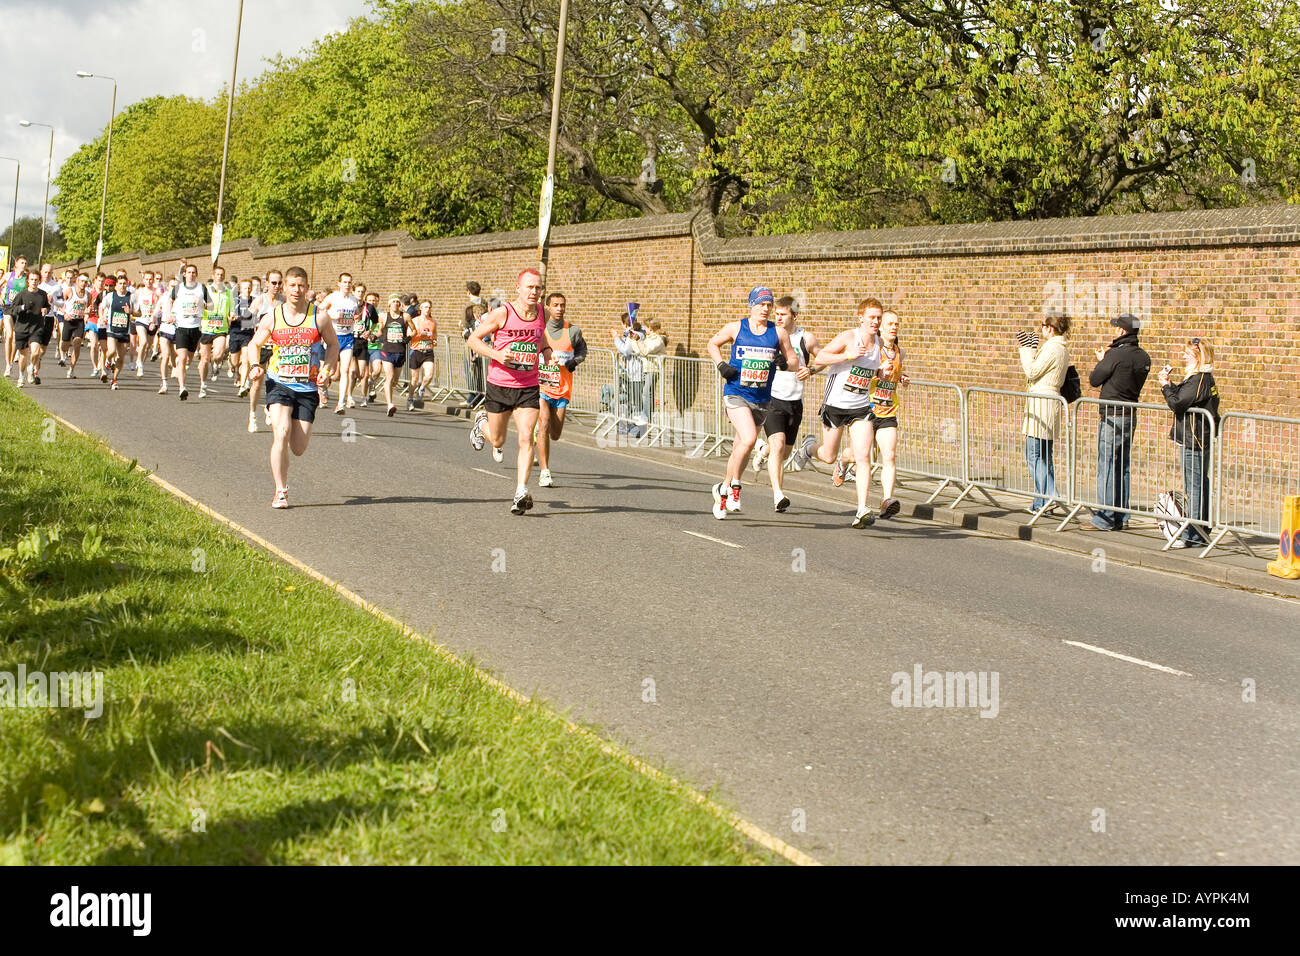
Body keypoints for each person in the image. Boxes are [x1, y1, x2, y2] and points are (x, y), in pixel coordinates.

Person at [248, 265, 339, 508]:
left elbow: (333, 345)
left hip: (307, 388)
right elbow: (253, 344)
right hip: (279, 383)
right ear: (285, 288)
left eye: (301, 285)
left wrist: (327, 370)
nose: (296, 290)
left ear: (307, 288)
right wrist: (255, 365)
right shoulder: (274, 317)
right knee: (281, 433)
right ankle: (280, 491)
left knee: (298, 447)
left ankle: (280, 419)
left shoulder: (319, 317)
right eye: (292, 285)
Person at [705, 286, 799, 519]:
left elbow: (794, 360)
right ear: (751, 305)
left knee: (741, 447)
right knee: (748, 439)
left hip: (761, 399)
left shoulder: (778, 334)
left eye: (769, 305)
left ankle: (723, 487)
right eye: (761, 304)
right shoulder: (737, 328)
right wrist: (720, 365)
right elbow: (712, 344)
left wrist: (784, 363)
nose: (766, 309)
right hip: (736, 392)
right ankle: (731, 487)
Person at [466, 267, 553, 514]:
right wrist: (497, 355)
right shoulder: (503, 313)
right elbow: (473, 340)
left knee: (527, 437)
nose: (534, 292)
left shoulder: (542, 313)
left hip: (528, 386)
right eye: (529, 287)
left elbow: (541, 337)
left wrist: (546, 352)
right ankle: (481, 422)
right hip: (500, 384)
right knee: (498, 439)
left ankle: (520, 491)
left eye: (538, 288)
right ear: (518, 288)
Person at [790, 298, 884, 527]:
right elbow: (821, 358)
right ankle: (807, 448)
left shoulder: (879, 343)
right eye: (872, 317)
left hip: (861, 406)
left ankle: (862, 509)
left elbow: (870, 371)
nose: (876, 321)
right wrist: (847, 356)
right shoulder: (848, 337)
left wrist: (881, 373)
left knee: (863, 457)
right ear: (860, 317)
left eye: (879, 317)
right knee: (828, 455)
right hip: (835, 404)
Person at [752, 296, 821, 512]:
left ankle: (762, 450)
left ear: (794, 316)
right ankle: (778, 495)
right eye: (777, 314)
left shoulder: (805, 338)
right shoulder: (771, 335)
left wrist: (811, 370)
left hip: (795, 402)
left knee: (783, 453)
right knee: (779, 444)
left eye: (783, 314)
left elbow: (822, 358)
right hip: (772, 398)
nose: (779, 318)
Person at [1089, 313, 1151, 530]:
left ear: (1122, 331)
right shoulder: (1144, 357)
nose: (1113, 330)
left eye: (1116, 327)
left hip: (1112, 415)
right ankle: (1121, 517)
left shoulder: (1115, 355)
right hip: (1129, 415)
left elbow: (1095, 379)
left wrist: (1103, 360)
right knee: (1122, 466)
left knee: (1106, 465)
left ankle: (1104, 517)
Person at [1159, 338, 1220, 548]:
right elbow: (1185, 398)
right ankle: (1200, 530)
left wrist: (1166, 387)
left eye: (1187, 354)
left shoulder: (1200, 378)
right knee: (1198, 483)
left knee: (1194, 486)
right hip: (1195, 438)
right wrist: (1170, 385)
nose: (1183, 357)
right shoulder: (1197, 378)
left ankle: (1193, 533)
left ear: (1197, 357)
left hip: (1194, 440)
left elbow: (1177, 403)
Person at [1017, 311, 1070, 514]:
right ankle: (1041, 503)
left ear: (1049, 328)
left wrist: (1025, 350)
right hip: (1047, 403)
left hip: (1042, 404)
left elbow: (1032, 371)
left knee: (1034, 455)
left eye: (1043, 326)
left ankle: (1051, 496)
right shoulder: (1060, 347)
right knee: (1043, 457)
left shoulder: (1053, 347)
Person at [536, 291, 588, 487]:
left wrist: (576, 360)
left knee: (555, 434)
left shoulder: (573, 331)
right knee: (544, 422)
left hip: (562, 388)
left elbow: (582, 350)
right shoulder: (540, 330)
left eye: (562, 305)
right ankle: (545, 472)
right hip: (542, 384)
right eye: (555, 305)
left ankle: (539, 433)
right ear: (548, 307)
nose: (559, 309)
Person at [866, 310, 910, 519]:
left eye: (896, 324)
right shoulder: (872, 350)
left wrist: (902, 378)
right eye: (890, 323)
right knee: (861, 457)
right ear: (881, 327)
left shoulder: (900, 352)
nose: (894, 327)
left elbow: (897, 372)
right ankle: (843, 462)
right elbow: (859, 373)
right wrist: (876, 371)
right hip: (866, 409)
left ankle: (886, 501)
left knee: (889, 456)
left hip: (888, 411)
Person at [163, 263, 213, 401]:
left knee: (188, 360)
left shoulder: (201, 288)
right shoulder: (178, 288)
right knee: (183, 358)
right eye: (189, 272)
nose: (191, 274)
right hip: (181, 327)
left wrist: (202, 304)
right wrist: (169, 314)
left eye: (193, 272)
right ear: (184, 274)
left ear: (196, 274)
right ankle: (182, 388)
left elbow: (211, 305)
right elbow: (169, 301)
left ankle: (180, 369)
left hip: (196, 328)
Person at [243, 269, 285, 431]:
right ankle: (252, 415)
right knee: (257, 383)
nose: (277, 286)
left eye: (279, 283)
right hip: (261, 347)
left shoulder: (284, 301)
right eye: (273, 283)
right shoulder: (259, 302)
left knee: (276, 382)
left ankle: (269, 407)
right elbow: (245, 324)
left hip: (277, 349)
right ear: (267, 283)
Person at [321, 272, 360, 413]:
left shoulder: (353, 300)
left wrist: (357, 323)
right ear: (339, 283)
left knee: (345, 370)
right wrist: (333, 315)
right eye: (344, 282)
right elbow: (319, 310)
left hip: (347, 337)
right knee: (329, 370)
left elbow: (355, 316)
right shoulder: (332, 297)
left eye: (349, 282)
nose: (347, 285)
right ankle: (322, 389)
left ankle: (341, 403)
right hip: (333, 336)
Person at [198, 265, 232, 398]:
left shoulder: (228, 292)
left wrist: (232, 315)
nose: (219, 276)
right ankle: (203, 384)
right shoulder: (206, 290)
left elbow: (232, 308)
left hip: (221, 328)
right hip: (207, 327)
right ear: (213, 276)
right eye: (217, 274)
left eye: (222, 274)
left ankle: (216, 363)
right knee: (204, 359)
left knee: (218, 354)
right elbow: (200, 305)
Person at [8, 269, 47, 386]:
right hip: (22, 327)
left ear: (39, 280)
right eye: (32, 279)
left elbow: (47, 306)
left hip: (36, 327)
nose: (34, 282)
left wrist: (46, 309)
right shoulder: (21, 294)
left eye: (36, 279)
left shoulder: (43, 294)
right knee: (23, 355)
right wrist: (23, 307)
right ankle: (21, 376)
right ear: (28, 281)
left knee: (35, 352)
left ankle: (31, 369)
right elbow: (12, 310)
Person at [98, 275, 134, 389]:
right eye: (120, 283)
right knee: (112, 351)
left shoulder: (131, 297)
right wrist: (102, 317)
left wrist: (131, 311)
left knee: (121, 358)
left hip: (125, 331)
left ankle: (114, 380)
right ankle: (107, 362)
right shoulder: (110, 296)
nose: (122, 286)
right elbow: (101, 307)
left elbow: (139, 313)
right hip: (111, 329)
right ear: (116, 285)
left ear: (127, 285)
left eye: (124, 284)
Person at [378, 294, 411, 416]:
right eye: (393, 302)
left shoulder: (406, 316)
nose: (395, 304)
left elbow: (413, 329)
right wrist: (372, 336)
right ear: (389, 304)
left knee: (395, 381)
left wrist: (409, 337)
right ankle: (390, 404)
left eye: (397, 302)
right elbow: (379, 330)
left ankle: (389, 391)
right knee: (390, 376)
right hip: (387, 350)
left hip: (400, 351)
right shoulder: (383, 317)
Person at [406, 299, 437, 411]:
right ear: (420, 309)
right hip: (416, 351)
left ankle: (422, 388)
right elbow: (408, 334)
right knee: (414, 380)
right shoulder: (414, 321)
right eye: (425, 307)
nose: (427, 309)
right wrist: (414, 333)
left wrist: (434, 341)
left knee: (429, 375)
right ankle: (410, 398)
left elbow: (434, 335)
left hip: (428, 351)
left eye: (429, 307)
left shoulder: (433, 322)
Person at [2, 254, 29, 378]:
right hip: (8, 307)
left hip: (20, 310)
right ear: (16, 264)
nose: (24, 265)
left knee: (14, 338)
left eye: (25, 263)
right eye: (22, 262)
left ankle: (11, 363)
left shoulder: (27, 278)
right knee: (9, 334)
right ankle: (7, 364)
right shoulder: (8, 276)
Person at [131, 271, 161, 378]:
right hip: (141, 320)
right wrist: (132, 312)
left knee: (147, 346)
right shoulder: (139, 292)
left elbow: (157, 308)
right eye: (146, 279)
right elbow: (132, 304)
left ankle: (141, 364)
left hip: (152, 321)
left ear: (153, 280)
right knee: (143, 342)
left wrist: (153, 321)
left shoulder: (156, 293)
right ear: (143, 280)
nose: (148, 281)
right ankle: (139, 362)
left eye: (150, 279)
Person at [61, 272, 91, 378]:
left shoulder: (88, 294)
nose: (83, 284)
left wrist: (87, 312)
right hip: (69, 320)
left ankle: (71, 369)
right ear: (77, 281)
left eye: (86, 282)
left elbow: (88, 307)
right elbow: (60, 304)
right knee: (64, 345)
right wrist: (64, 314)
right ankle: (63, 354)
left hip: (79, 321)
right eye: (82, 281)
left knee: (77, 343)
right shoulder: (69, 291)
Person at [462, 281, 487, 406]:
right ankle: (481, 394)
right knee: (482, 369)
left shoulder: (468, 307)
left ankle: (472, 396)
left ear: (468, 292)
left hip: (471, 341)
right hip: (484, 341)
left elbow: (464, 325)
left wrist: (463, 331)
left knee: (470, 369)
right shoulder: (486, 304)